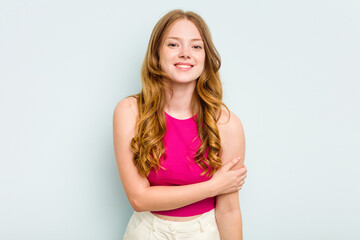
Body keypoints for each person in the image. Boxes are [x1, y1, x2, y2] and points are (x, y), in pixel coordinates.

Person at [113, 9, 247, 240]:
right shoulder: (130, 111)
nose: (185, 54)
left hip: (205, 232)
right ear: (157, 52)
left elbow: (229, 210)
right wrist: (214, 187)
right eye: (173, 45)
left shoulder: (226, 124)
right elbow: (139, 199)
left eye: (196, 46)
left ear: (205, 57)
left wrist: (221, 188)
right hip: (146, 231)